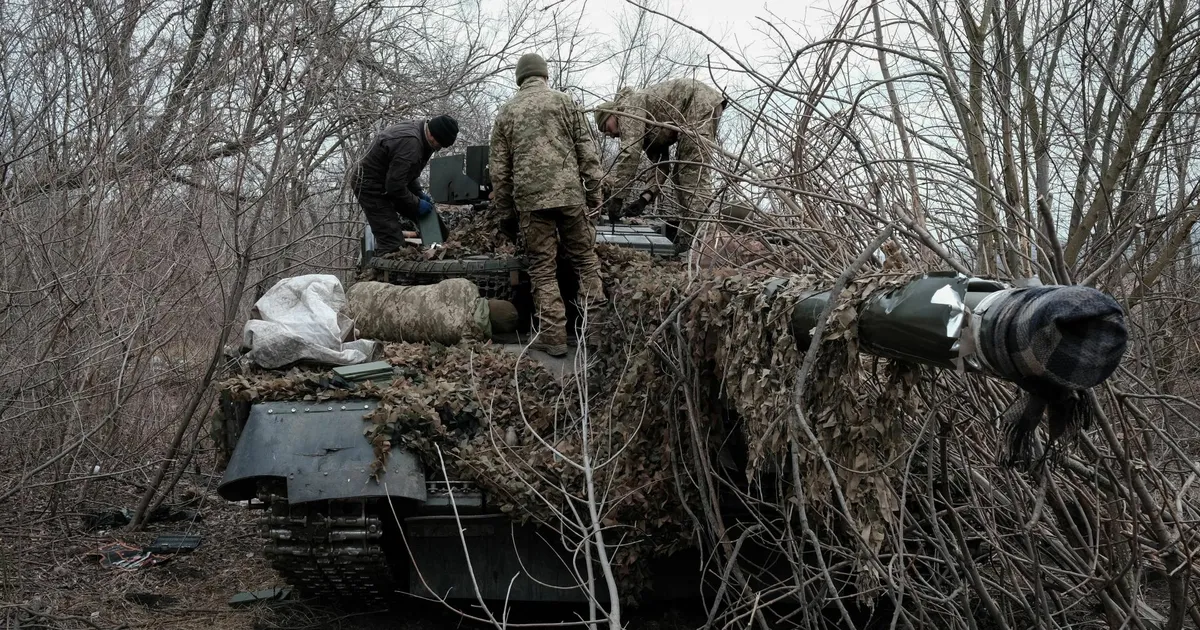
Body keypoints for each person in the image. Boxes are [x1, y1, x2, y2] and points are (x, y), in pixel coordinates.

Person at [489, 53, 607, 357]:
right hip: (570, 197)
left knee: (542, 269)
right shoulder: (566, 102)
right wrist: (594, 194)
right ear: (545, 75)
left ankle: (553, 338)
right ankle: (595, 333)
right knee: (585, 261)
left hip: (531, 203)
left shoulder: (507, 112)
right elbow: (588, 152)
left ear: (519, 78)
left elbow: (499, 173)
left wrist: (505, 216)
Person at [594, 79, 725, 251]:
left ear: (612, 113)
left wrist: (617, 197)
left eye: (605, 127)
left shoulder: (628, 109)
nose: (609, 135)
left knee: (691, 174)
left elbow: (630, 155)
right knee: (680, 174)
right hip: (695, 107)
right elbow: (661, 165)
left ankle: (701, 243)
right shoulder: (647, 130)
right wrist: (644, 199)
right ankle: (689, 240)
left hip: (697, 103)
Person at [352, 115, 459, 254]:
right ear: (433, 136)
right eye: (439, 145)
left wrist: (418, 193)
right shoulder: (411, 144)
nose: (437, 149)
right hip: (370, 186)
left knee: (426, 212)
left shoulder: (422, 133)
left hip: (389, 180)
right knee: (392, 242)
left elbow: (407, 172)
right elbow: (395, 187)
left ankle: (437, 242)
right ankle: (383, 269)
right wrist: (417, 204)